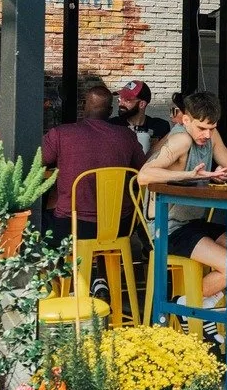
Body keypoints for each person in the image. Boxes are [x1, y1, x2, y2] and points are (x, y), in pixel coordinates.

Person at [137, 91, 227, 348]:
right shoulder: (181, 141)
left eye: (212, 128)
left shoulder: (210, 135)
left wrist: (221, 174)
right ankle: (189, 307)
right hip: (167, 226)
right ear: (185, 120)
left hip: (193, 222)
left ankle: (195, 303)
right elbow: (144, 176)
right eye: (201, 128)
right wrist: (190, 176)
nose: (206, 134)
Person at [40, 91, 147, 302]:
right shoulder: (127, 136)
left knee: (36, 221)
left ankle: (60, 286)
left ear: (84, 107)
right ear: (110, 111)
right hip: (119, 227)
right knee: (94, 226)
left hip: (73, 226)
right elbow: (143, 171)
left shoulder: (61, 133)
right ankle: (99, 277)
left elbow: (37, 163)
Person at [115, 80, 171, 154]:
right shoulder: (113, 125)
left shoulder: (160, 127)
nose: (120, 104)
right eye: (120, 99)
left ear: (142, 104)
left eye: (127, 100)